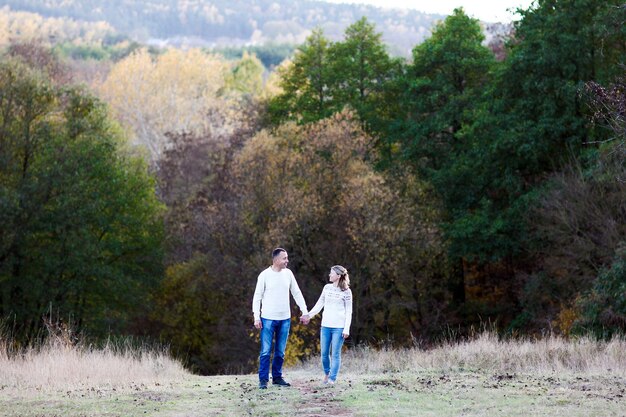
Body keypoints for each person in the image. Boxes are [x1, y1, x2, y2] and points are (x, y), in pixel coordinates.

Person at [252, 247, 310, 390]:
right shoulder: (264, 275)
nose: (287, 261)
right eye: (284, 258)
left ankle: (277, 378)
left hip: (285, 319)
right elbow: (257, 297)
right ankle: (263, 380)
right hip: (267, 319)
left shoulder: (288, 274)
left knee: (280, 351)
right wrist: (256, 317)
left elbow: (297, 293)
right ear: (276, 260)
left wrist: (305, 311)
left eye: (287, 258)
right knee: (265, 351)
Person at [307, 265, 352, 386]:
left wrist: (346, 328)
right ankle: (327, 373)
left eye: (331, 273)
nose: (329, 275)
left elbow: (349, 311)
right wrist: (308, 315)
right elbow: (319, 304)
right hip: (326, 326)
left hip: (339, 328)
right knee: (324, 353)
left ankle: (332, 378)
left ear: (338, 276)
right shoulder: (327, 288)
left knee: (335, 354)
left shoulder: (346, 291)